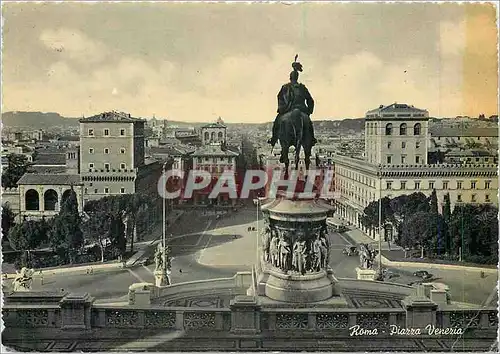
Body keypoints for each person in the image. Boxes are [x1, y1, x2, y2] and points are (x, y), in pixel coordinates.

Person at [268, 63, 317, 147]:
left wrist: (281, 108)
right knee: (309, 124)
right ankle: (312, 139)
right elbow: (310, 100)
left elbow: (279, 97)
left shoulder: (285, 87)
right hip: (301, 109)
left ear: (290, 78)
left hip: (288, 109)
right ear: (297, 78)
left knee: (277, 122)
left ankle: (273, 139)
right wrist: (309, 112)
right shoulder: (302, 87)